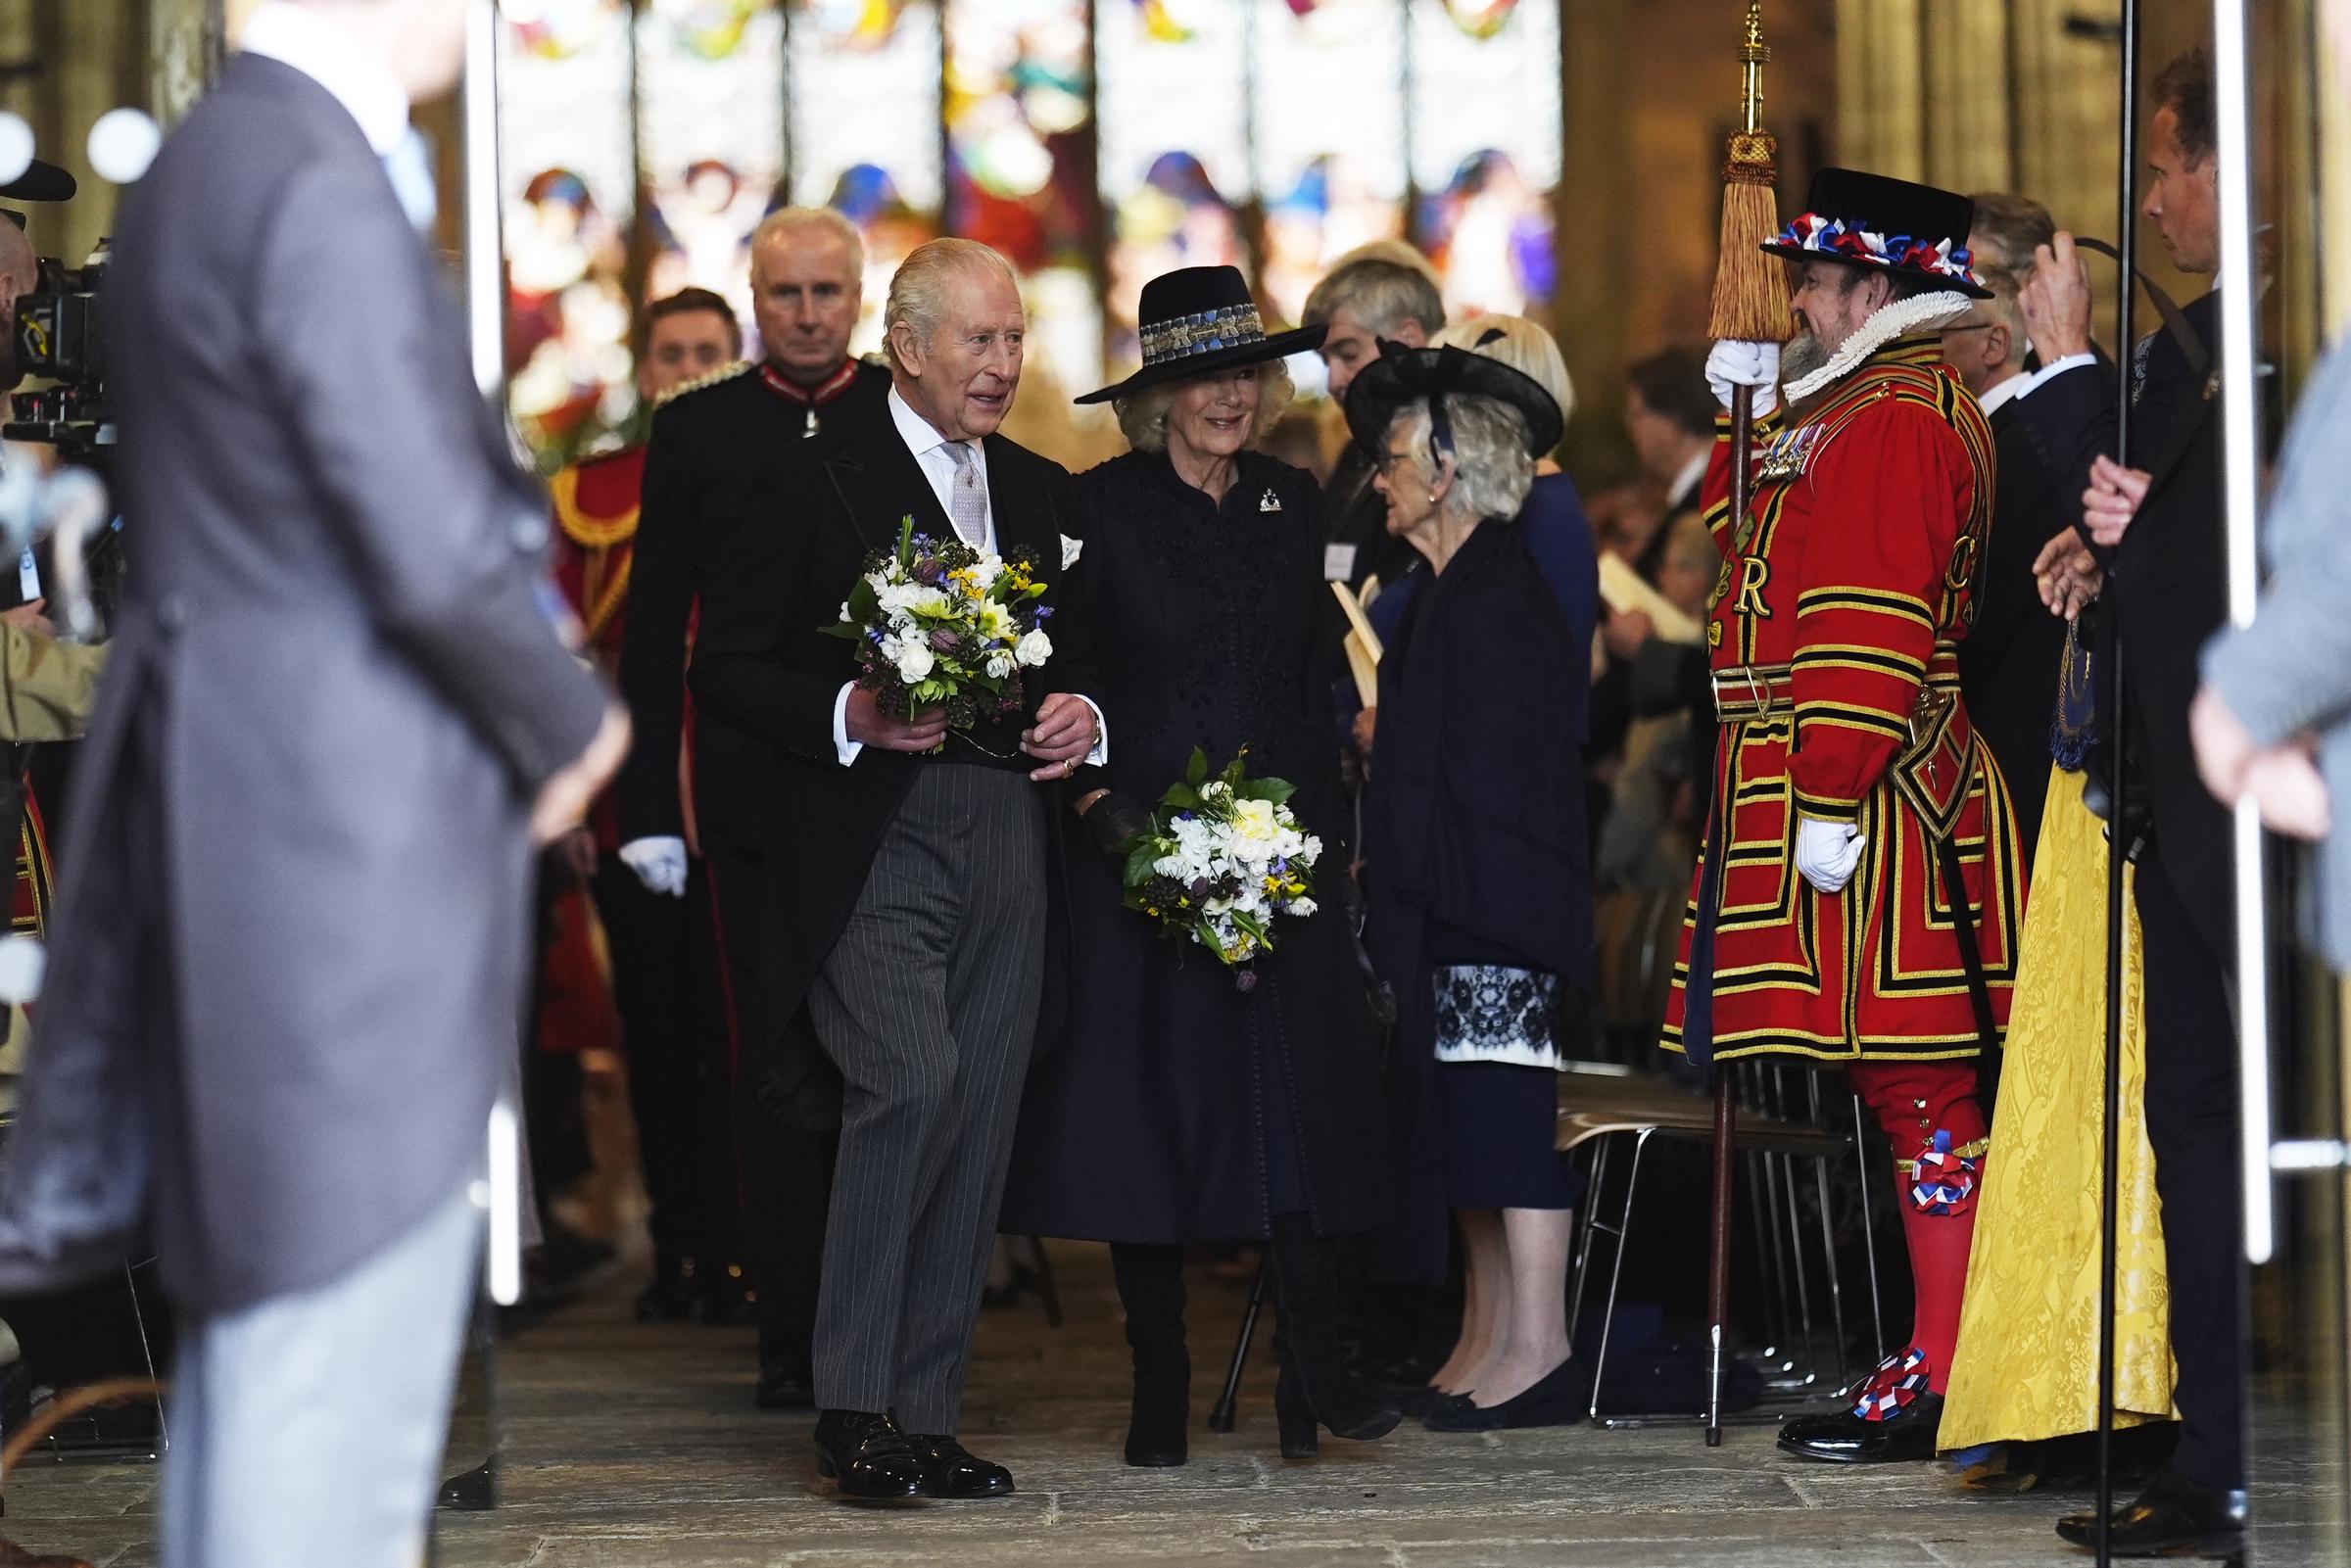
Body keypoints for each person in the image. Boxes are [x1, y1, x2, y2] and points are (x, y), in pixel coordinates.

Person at [0, 3, 626, 1563]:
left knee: (290, 1376)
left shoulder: (234, 155)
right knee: (325, 1393)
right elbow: (415, 529)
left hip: (278, 829)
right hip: (333, 861)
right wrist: (570, 722)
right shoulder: (303, 166)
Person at [690, 238, 1105, 1501]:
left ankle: (925, 1412)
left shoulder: (1035, 486)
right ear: (907, 346)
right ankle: (852, 1405)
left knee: (977, 1110)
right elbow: (725, 665)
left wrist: (1084, 706)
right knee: (909, 1082)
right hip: (871, 832)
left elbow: (1078, 653)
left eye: (1015, 339)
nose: (1002, 364)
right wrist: (849, 710)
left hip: (1010, 837)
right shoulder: (811, 483)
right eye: (978, 341)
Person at [996, 265, 1400, 1468]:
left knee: (1289, 1106)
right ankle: (1159, 1375)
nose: (1227, 396)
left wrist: (1311, 838)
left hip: (1283, 854)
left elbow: (1319, 679)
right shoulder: (1098, 509)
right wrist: (1109, 795)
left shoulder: (1291, 499)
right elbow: (1059, 682)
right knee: (1153, 1120)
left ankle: (1309, 1372)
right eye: (1199, 377)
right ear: (1157, 395)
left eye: (1243, 372)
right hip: (1146, 861)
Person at [1668, 168, 2024, 1465]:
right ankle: (1938, 1353)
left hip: (1875, 793)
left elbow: (1867, 618)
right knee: (1904, 1090)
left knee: (1925, 1088)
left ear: (1875, 290)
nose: (1801, 300)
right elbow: (1749, 534)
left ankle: (1946, 1366)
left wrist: (1830, 784)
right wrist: (1743, 411)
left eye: (1815, 281)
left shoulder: (1897, 415)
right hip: (1845, 778)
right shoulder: (1856, 403)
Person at [2011, 49, 2246, 1558]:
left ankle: (2227, 1463)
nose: (2152, 196)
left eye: (2170, 167)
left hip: (2248, 797)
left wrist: (2075, 375)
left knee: (2223, 1120)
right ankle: (2212, 1454)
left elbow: (2238, 556)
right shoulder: (2207, 339)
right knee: (2189, 1119)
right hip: (2175, 784)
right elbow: (2163, 526)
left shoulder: (2260, 344)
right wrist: (2104, 553)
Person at [615, 207, 890, 1398]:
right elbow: (649, 627)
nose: (812, 313)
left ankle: (886, 1319)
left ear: (862, 293)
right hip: (749, 795)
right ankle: (791, 1332)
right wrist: (641, 802)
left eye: (830, 291)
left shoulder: (907, 407)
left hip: (893, 782)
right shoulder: (699, 429)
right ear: (755, 298)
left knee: (888, 1053)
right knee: (770, 1059)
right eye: (788, 295)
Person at [1352, 343, 1595, 1431]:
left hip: (1496, 906)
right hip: (1448, 903)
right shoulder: (1452, 588)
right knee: (1460, 1131)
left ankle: (1539, 1345)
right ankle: (1485, 1337)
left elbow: (1503, 785)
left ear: (1448, 471)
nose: (1380, 478)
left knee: (1503, 1124)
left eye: (1396, 456)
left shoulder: (1497, 593)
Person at [543, 285, 741, 1310]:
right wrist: (569, 804)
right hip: (636, 794)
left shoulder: (785, 472)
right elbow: (556, 663)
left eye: (711, 348)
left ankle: (759, 1246)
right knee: (659, 1035)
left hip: (755, 789)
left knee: (751, 1035)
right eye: (674, 351)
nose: (691, 365)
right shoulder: (593, 493)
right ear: (645, 366)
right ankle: (681, 1247)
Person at [1942, 193, 2068, 868]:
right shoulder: (1983, 436)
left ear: (1998, 339)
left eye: (1957, 283)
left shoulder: (2027, 446)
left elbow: (1975, 623)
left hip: (2011, 773)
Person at [1303, 241, 1445, 591]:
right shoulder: (1358, 453)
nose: (1333, 381)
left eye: (1348, 355)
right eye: (1325, 362)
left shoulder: (1446, 455)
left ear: (1409, 340)